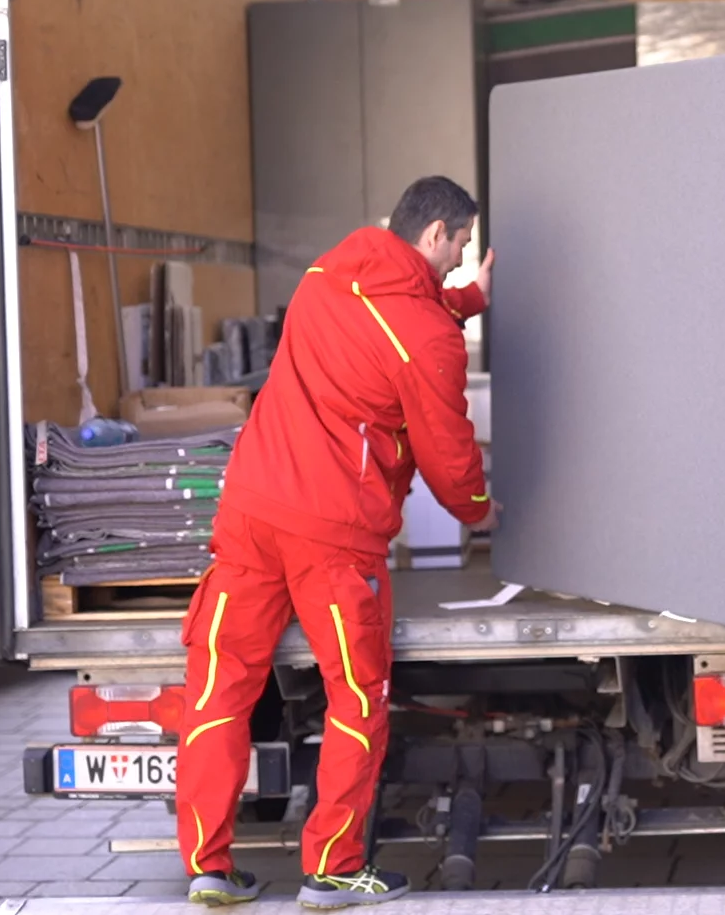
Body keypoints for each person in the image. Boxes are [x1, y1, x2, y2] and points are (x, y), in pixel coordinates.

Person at [175, 176, 498, 908]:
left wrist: (467, 298)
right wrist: (480, 509)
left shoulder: (328, 274)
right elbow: (449, 457)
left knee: (219, 692)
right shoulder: (428, 337)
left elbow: (400, 315)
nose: (457, 261)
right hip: (333, 536)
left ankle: (208, 866)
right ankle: (333, 869)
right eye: (459, 247)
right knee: (355, 696)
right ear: (435, 232)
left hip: (251, 514)